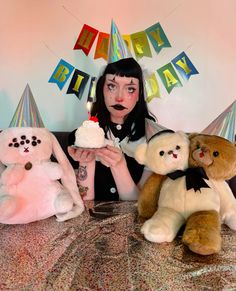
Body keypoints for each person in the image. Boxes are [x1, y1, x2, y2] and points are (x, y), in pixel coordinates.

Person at [68, 57, 156, 201]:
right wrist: (86, 162)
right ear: (102, 88)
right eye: (112, 86)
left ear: (139, 94)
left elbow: (139, 205)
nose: (119, 97)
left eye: (130, 88)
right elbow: (83, 200)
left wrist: (119, 165)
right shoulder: (79, 137)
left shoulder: (153, 139)